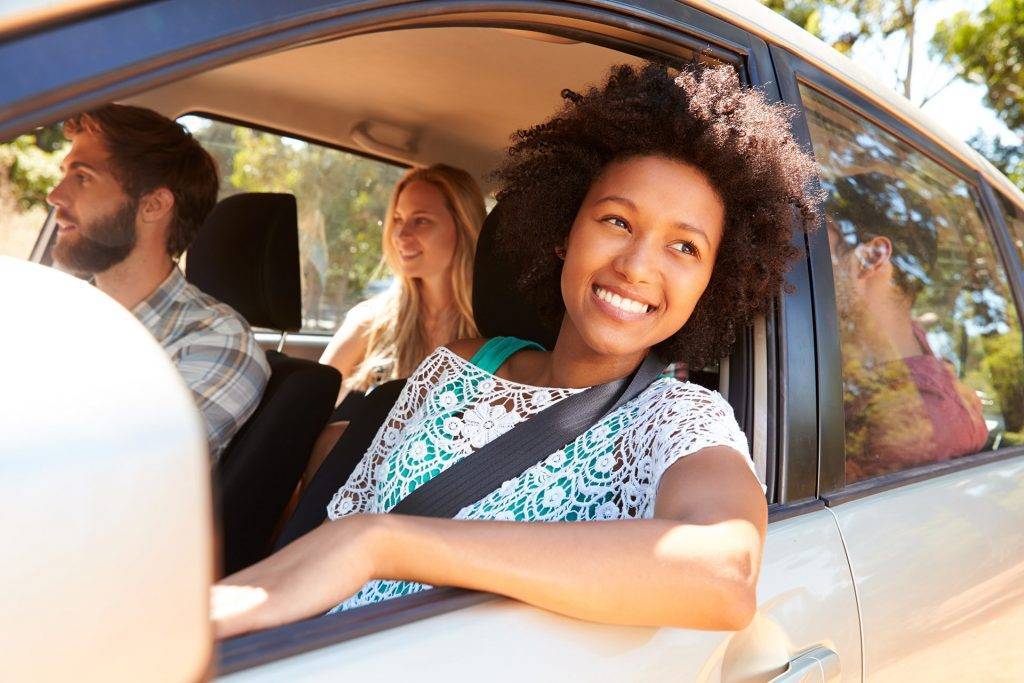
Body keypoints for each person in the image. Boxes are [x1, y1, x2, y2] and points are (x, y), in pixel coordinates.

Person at [211, 62, 821, 637]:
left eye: (684, 247)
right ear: (564, 234)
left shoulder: (677, 420)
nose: (637, 266)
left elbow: (722, 575)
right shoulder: (461, 362)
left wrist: (383, 543)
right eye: (616, 221)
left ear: (713, 279)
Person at [47, 104, 269, 462]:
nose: (54, 194)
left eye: (82, 177)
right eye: (64, 174)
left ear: (153, 205)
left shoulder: (216, 341)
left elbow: (115, 470)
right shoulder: (59, 315)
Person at [303, 165, 485, 484]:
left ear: (464, 226)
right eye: (398, 220)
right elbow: (303, 422)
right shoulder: (370, 321)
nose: (401, 234)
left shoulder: (492, 335)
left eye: (421, 221)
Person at [825, 173, 988, 482]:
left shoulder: (911, 423)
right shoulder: (904, 347)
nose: (813, 265)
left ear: (872, 257)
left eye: (826, 247)